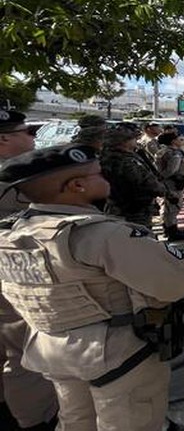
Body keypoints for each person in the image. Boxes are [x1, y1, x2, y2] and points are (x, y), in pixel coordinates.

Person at [0, 144, 184, 430]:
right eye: (98, 174)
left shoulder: (12, 233)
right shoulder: (101, 234)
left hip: (52, 350)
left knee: (75, 420)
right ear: (78, 185)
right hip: (117, 354)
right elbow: (174, 281)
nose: (106, 178)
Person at [0, 110, 58, 431]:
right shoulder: (14, 184)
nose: (33, 138)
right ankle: (35, 420)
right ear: (4, 139)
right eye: (27, 132)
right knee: (26, 351)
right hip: (14, 276)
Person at [100, 123, 168, 228]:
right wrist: (161, 189)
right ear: (123, 142)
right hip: (134, 208)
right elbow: (145, 181)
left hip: (118, 206)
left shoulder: (106, 157)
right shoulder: (127, 161)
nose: (136, 141)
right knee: (139, 236)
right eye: (133, 139)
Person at [156, 132, 184, 241]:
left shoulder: (162, 151)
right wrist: (165, 178)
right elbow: (171, 170)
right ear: (173, 141)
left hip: (167, 182)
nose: (181, 141)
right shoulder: (175, 153)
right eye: (178, 139)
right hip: (173, 183)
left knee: (167, 206)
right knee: (173, 207)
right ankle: (172, 230)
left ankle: (169, 228)